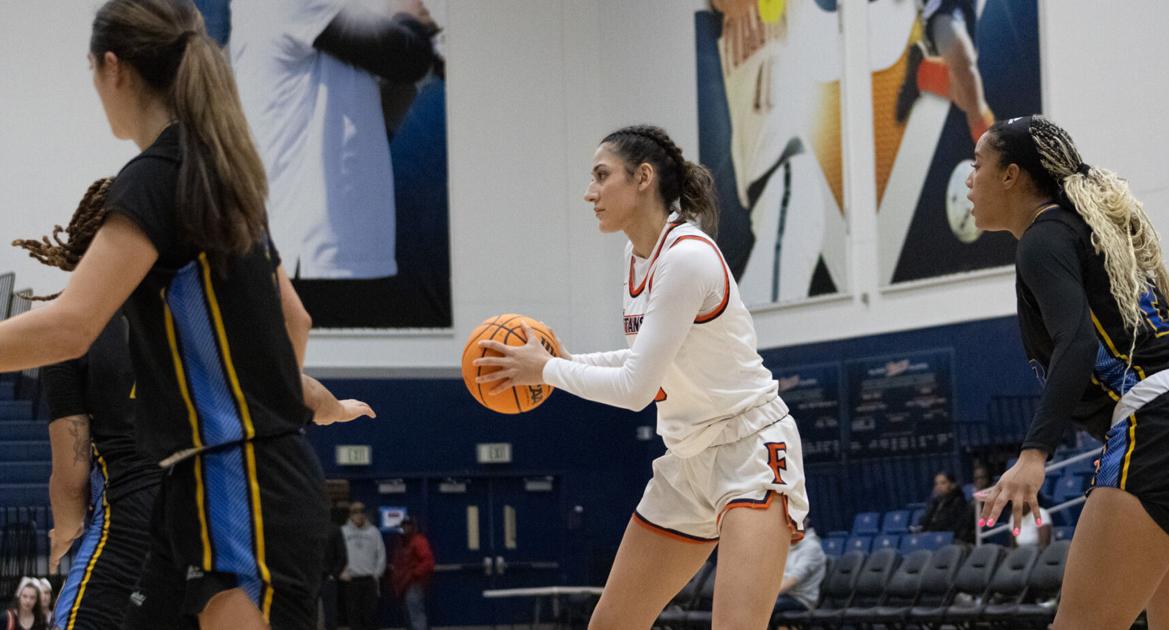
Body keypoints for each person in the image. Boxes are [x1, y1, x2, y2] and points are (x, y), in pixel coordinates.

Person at [0, 1, 374, 627]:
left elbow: (69, 326)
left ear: (113, 68)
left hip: (236, 484)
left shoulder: (154, 179)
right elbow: (295, 323)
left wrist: (254, 421)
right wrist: (277, 405)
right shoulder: (221, 177)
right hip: (213, 483)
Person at [475, 124, 809, 629]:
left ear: (643, 178)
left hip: (749, 451)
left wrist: (546, 368)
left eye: (601, 175)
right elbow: (647, 366)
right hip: (688, 458)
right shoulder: (637, 258)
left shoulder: (687, 259)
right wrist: (570, 360)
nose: (589, 192)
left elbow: (634, 390)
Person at [970, 115, 1169, 629]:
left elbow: (1078, 342)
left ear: (1011, 175)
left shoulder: (1042, 238)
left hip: (1157, 422)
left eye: (977, 164)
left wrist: (1034, 454)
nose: (969, 178)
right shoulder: (1092, 232)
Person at [12, 181, 163, 630]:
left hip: (133, 509)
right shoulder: (189, 311)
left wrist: (64, 530)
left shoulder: (67, 327)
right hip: (213, 505)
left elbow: (72, 476)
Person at [229, 0, 437, 326]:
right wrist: (408, 17)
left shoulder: (333, 24)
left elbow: (369, 120)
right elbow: (407, 57)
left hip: (338, 252)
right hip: (311, 252)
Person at [896, 0, 994, 144]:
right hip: (943, 13)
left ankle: (922, 73)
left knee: (965, 95)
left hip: (965, 15)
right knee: (968, 80)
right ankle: (996, 154)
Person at [341, 502, 386, 630]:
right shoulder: (343, 532)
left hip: (369, 581)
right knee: (353, 617)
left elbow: (381, 554)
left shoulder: (374, 532)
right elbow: (337, 554)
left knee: (370, 616)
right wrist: (341, 572)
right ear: (350, 515)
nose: (358, 515)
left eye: (361, 512)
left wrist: (377, 574)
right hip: (351, 581)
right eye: (355, 512)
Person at [389, 516, 434, 630]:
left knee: (416, 617)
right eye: (404, 525)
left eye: (408, 525)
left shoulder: (418, 541)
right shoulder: (401, 542)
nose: (406, 528)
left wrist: (415, 573)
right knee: (408, 617)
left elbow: (428, 561)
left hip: (413, 584)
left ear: (413, 527)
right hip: (403, 584)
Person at [773, 518, 825, 613]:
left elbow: (794, 579)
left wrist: (768, 596)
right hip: (784, 595)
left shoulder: (812, 547)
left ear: (805, 523)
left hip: (802, 599)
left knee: (762, 608)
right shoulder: (787, 545)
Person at [916, 472, 973, 544]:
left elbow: (955, 527)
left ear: (953, 485)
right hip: (933, 538)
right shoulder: (935, 503)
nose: (938, 486)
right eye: (936, 484)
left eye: (943, 483)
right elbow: (924, 522)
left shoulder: (959, 502)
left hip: (950, 540)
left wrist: (932, 533)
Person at [318, 516, 348, 630]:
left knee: (330, 613)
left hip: (327, 578)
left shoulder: (334, 529)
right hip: (313, 578)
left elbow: (342, 555)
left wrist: (333, 575)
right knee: (310, 612)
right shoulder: (310, 527)